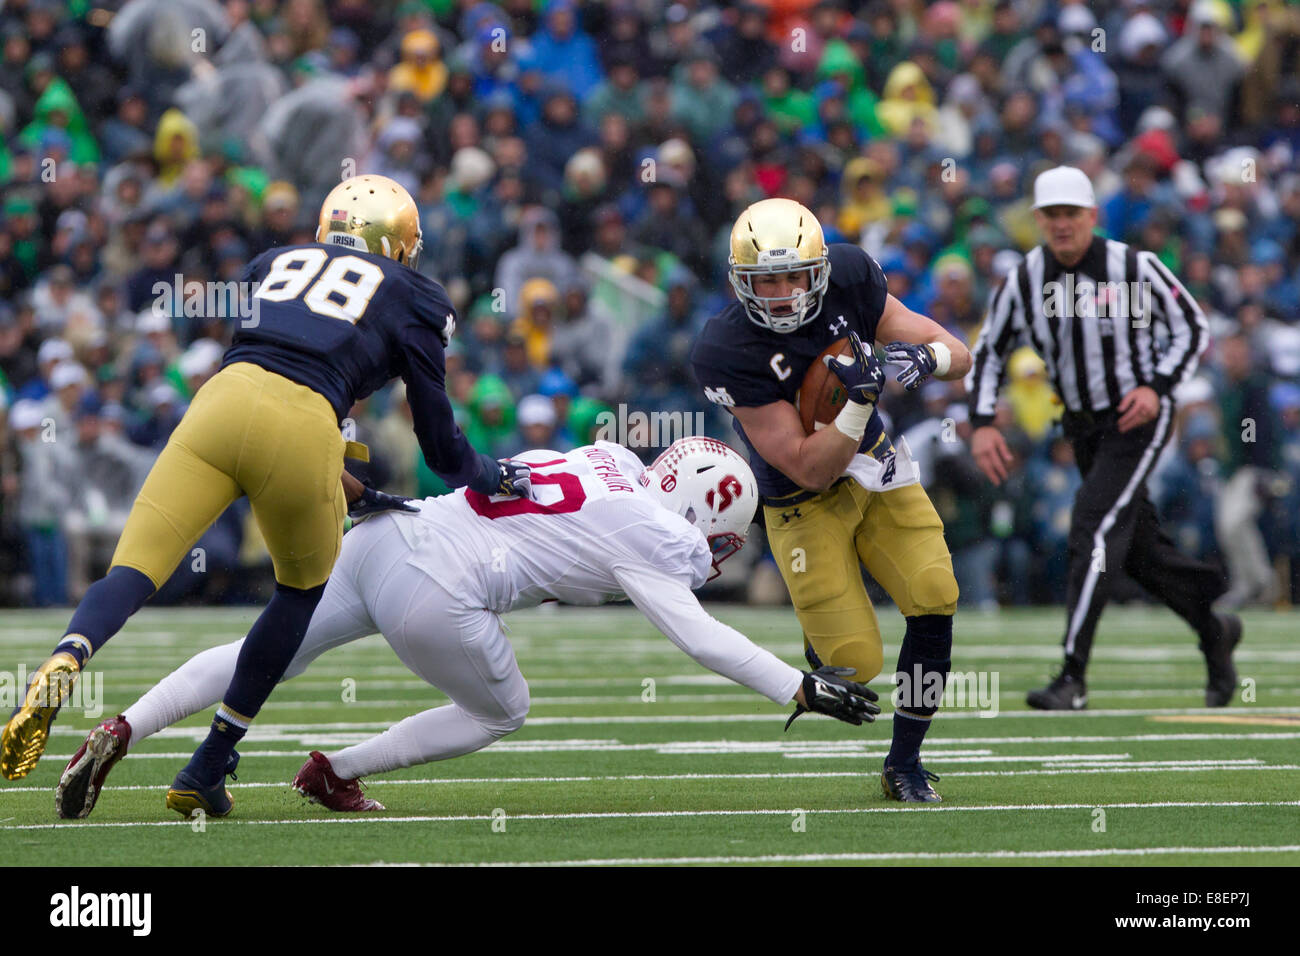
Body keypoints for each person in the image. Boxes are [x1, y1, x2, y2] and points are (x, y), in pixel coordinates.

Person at [3, 175, 532, 819]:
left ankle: (68, 655)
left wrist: (336, 474)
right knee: (299, 594)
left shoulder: (271, 263)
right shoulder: (414, 295)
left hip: (220, 403)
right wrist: (492, 475)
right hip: (306, 423)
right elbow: (440, 448)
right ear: (394, 243)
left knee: (134, 569)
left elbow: (274, 364)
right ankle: (209, 762)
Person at [54, 438, 878, 819]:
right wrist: (797, 684)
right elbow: (700, 638)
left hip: (389, 534)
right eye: (723, 539)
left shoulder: (611, 463)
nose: (719, 554)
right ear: (707, 516)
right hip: (437, 584)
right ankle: (332, 772)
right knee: (501, 711)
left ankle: (125, 724)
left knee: (259, 653)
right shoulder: (654, 533)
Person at [690, 198, 972, 802]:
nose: (786, 292)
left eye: (796, 275)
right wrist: (859, 402)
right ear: (742, 282)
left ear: (820, 269)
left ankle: (905, 762)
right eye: (768, 279)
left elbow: (958, 353)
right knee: (853, 663)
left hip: (877, 468)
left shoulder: (851, 276)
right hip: (801, 500)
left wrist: (926, 358)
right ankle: (823, 637)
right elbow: (808, 468)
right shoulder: (726, 350)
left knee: (935, 593)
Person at [966, 165, 1240, 710]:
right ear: (1038, 220)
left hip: (1135, 418)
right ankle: (1213, 625)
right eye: (1052, 215)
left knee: (1091, 529)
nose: (1062, 225)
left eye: (1072, 214)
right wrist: (980, 424)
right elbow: (990, 350)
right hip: (1083, 425)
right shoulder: (1025, 278)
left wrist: (1158, 387)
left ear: (1092, 217)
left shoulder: (1131, 266)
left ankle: (1072, 676)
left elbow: (1192, 325)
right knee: (1134, 552)